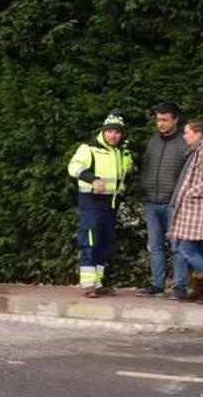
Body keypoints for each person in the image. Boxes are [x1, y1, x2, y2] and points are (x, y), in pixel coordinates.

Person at [67, 111, 133, 298]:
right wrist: (93, 179)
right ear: (103, 131)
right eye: (110, 131)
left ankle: (97, 282)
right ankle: (87, 284)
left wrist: (124, 189)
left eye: (117, 132)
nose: (113, 135)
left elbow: (127, 173)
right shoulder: (89, 148)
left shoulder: (123, 151)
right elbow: (73, 167)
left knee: (105, 242)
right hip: (91, 203)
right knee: (89, 240)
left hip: (111, 205)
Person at [136, 102, 191, 299]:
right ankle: (156, 284)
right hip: (151, 201)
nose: (161, 124)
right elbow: (146, 166)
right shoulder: (153, 141)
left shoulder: (184, 143)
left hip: (174, 203)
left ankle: (179, 286)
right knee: (155, 246)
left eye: (165, 120)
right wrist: (145, 187)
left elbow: (189, 174)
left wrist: (180, 197)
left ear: (175, 120)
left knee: (178, 247)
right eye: (158, 119)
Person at [168, 119, 203, 304]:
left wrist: (190, 193)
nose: (184, 136)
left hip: (198, 208)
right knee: (198, 248)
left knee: (186, 248)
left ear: (198, 134)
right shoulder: (196, 151)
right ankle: (201, 288)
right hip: (193, 209)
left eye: (187, 132)